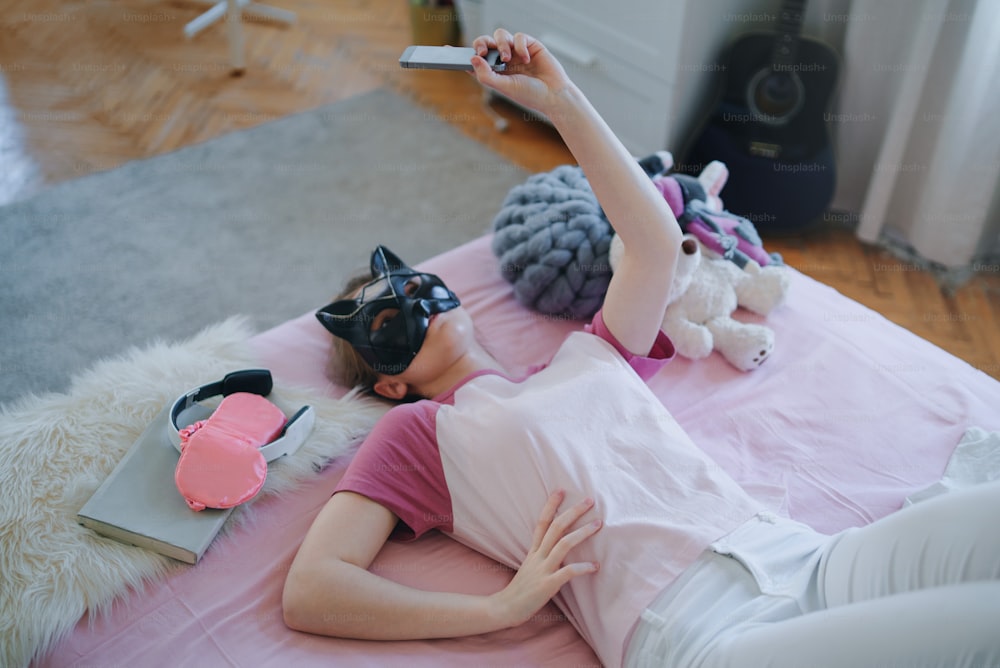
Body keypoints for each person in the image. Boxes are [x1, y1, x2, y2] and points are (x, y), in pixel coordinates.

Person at [282, 30, 1000, 668]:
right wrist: (499, 609)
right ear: (390, 385)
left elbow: (654, 243)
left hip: (801, 556)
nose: (417, 303)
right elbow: (314, 589)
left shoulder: (587, 355)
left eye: (416, 286)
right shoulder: (420, 433)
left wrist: (560, 99)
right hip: (701, 632)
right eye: (388, 322)